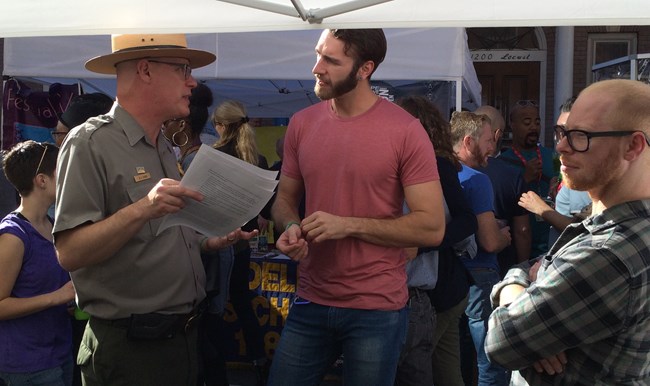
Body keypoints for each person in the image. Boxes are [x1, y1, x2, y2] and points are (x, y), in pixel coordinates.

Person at [53, 34, 257, 386]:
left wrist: (207, 243)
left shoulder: (162, 145)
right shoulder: (90, 142)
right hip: (132, 350)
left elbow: (154, 240)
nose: (192, 81)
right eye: (183, 70)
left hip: (180, 341)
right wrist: (142, 208)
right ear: (145, 71)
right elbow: (70, 252)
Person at [269, 29, 445, 386]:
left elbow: (432, 227)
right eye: (318, 54)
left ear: (365, 69)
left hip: (376, 307)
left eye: (331, 61)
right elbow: (284, 200)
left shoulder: (406, 131)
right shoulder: (302, 124)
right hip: (310, 298)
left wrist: (347, 225)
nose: (317, 67)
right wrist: (290, 227)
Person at [486, 79, 650, 385]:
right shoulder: (623, 231)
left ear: (633, 146)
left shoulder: (606, 254)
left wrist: (516, 287)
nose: (561, 146)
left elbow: (502, 341)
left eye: (581, 136)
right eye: (562, 133)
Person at [395, 96, 478, 386]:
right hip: (444, 287)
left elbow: (467, 220)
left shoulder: (437, 164)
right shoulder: (426, 162)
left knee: (418, 367)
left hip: (440, 287)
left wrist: (421, 244)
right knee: (445, 370)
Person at [0, 140, 75, 385]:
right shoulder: (13, 235)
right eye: (60, 171)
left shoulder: (52, 226)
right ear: (42, 180)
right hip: (27, 365)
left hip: (60, 353)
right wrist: (57, 296)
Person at [450, 111, 511, 386]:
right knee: (490, 355)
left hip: (451, 278)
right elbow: (489, 242)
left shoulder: (440, 174)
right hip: (480, 275)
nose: (493, 148)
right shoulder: (477, 179)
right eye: (488, 141)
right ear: (468, 142)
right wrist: (504, 236)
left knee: (453, 355)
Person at [211, 100, 270, 385]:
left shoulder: (215, 156)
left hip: (220, 242)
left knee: (216, 309)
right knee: (243, 304)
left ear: (221, 127)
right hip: (246, 244)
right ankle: (259, 358)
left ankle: (218, 367)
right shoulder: (257, 159)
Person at [518, 97, 591, 247]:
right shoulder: (567, 166)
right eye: (559, 132)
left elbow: (581, 231)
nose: (560, 144)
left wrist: (541, 209)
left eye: (568, 133)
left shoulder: (583, 174)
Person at [475, 105, 531, 270]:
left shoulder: (453, 170)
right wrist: (523, 269)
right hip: (501, 266)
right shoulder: (513, 175)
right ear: (498, 134)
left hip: (459, 271)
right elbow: (523, 230)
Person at [499, 101, 556, 257]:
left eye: (537, 122)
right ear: (513, 125)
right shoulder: (502, 162)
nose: (533, 127)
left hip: (552, 244)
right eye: (527, 122)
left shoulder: (553, 156)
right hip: (518, 247)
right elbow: (501, 205)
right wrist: (524, 179)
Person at [162, 82, 213, 174]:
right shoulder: (200, 156)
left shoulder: (192, 161)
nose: (162, 126)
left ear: (181, 125)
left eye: (165, 121)